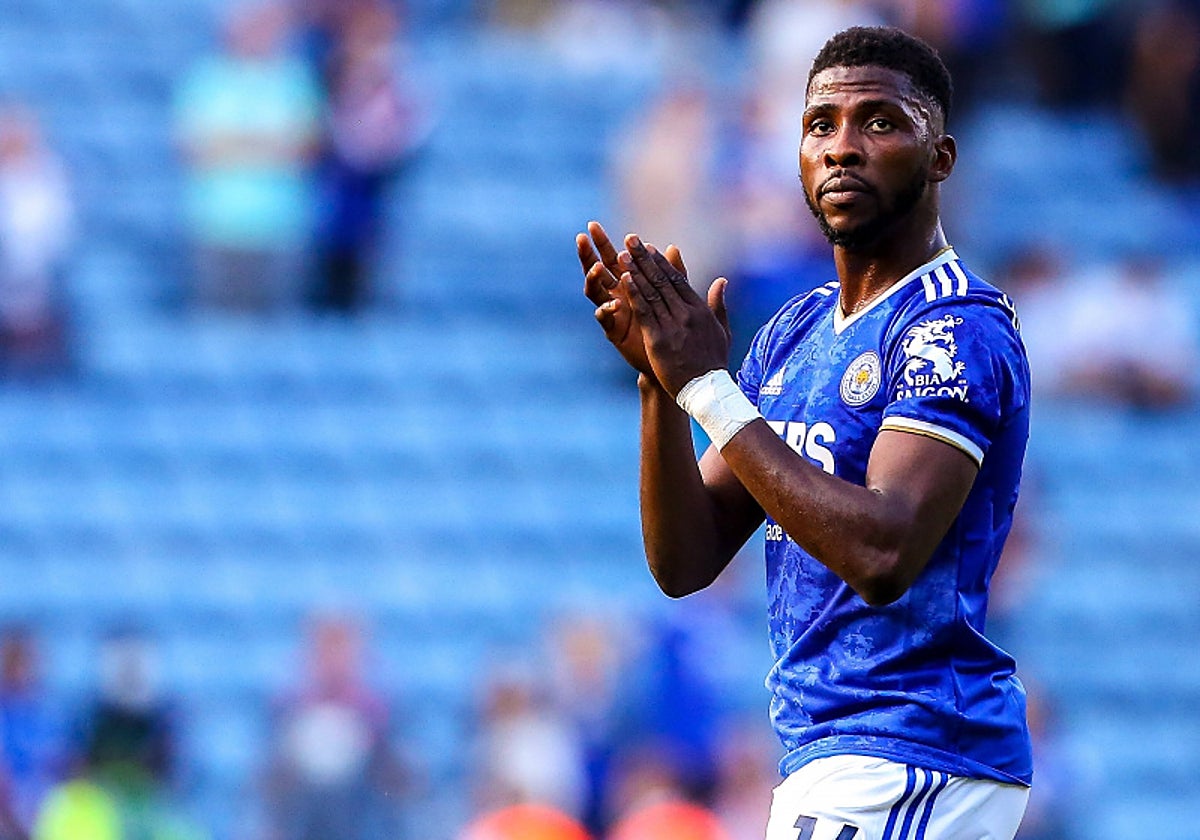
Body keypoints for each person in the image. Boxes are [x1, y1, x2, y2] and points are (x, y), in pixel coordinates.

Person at [577, 26, 1032, 839]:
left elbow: (883, 554)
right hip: (833, 754)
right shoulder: (795, 332)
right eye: (821, 124)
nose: (844, 147)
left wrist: (709, 389)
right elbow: (686, 562)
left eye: (881, 122)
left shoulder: (950, 326)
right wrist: (659, 383)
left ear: (941, 159)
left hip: (914, 749)